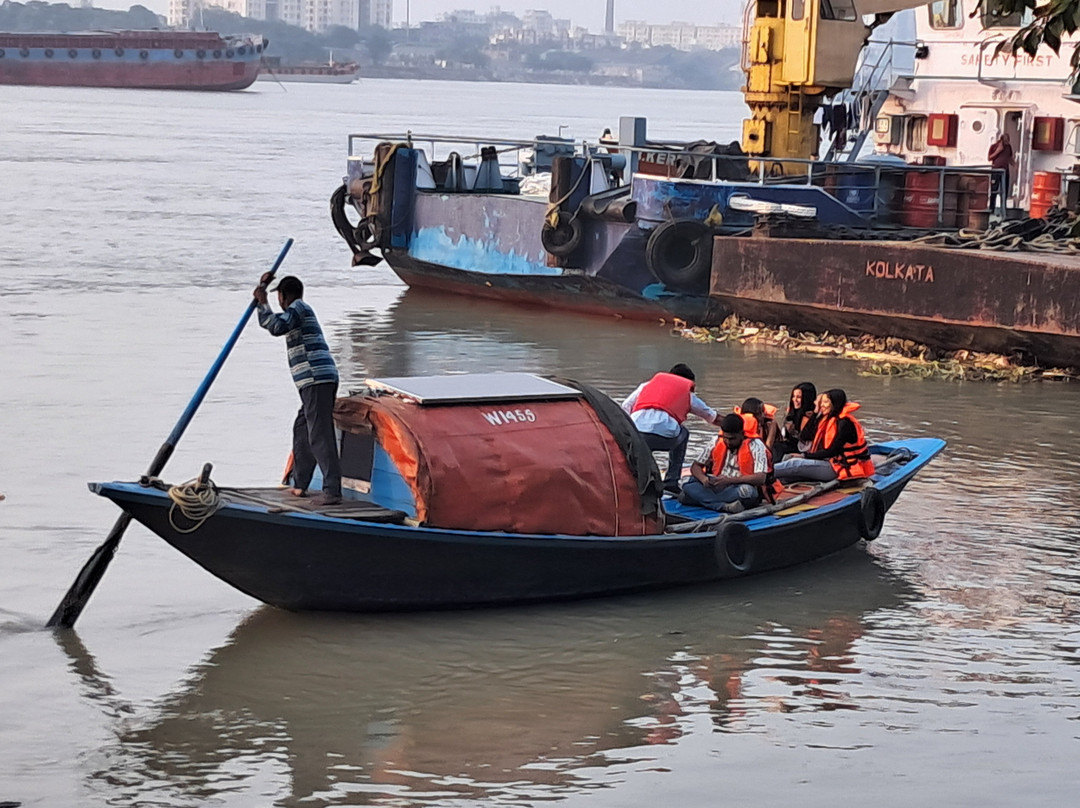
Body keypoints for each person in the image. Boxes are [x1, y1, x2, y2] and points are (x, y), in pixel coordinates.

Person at [254, 274, 343, 506]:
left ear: (283, 297)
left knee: (320, 434)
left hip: (316, 379)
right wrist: (262, 288)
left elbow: (277, 326)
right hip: (313, 381)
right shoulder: (295, 311)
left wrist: (262, 302)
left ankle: (332, 490)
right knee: (302, 429)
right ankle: (300, 483)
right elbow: (273, 322)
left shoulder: (299, 308)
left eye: (279, 297)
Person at [622, 363, 720, 495]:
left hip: (635, 433)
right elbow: (713, 417)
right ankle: (671, 482)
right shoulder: (686, 394)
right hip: (663, 438)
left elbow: (625, 407)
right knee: (683, 433)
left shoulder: (646, 386)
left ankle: (632, 480)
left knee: (641, 446)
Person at [679, 413, 781, 514]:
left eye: (732, 439)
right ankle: (723, 506)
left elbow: (761, 478)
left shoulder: (756, 446)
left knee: (748, 492)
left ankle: (700, 498)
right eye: (725, 438)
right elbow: (695, 466)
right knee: (686, 482)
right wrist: (704, 479)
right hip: (717, 485)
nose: (727, 442)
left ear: (741, 434)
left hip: (739, 487)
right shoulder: (716, 440)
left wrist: (729, 481)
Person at [773, 388, 876, 483]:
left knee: (794, 464)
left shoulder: (845, 423)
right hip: (828, 462)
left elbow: (831, 451)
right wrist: (816, 412)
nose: (822, 405)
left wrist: (804, 456)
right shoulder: (826, 418)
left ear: (835, 404)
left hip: (840, 467)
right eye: (821, 402)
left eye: (825, 402)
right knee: (787, 462)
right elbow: (805, 436)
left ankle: (764, 473)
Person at [775, 382, 818, 462]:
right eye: (793, 396)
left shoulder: (809, 416)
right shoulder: (792, 413)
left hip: (801, 449)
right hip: (790, 444)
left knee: (777, 447)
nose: (795, 400)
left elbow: (805, 440)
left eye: (799, 397)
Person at [988, 133, 1014, 212]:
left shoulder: (1008, 147)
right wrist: (998, 151)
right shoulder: (994, 146)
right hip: (996, 170)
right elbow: (989, 158)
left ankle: (1003, 209)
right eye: (1006, 141)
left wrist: (1014, 164)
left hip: (1005, 171)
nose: (1007, 143)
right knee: (994, 190)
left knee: (1005, 190)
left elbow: (1010, 157)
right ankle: (991, 208)